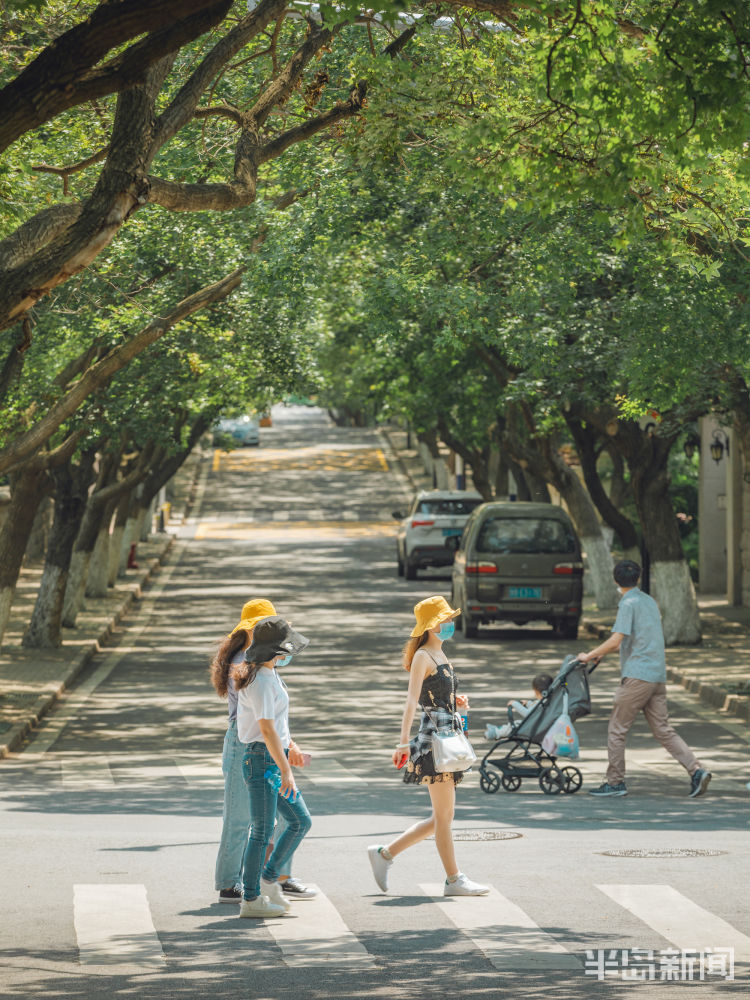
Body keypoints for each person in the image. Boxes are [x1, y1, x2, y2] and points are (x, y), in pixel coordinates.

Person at [368, 595, 489, 897]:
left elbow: (437, 697)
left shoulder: (441, 655)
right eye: (446, 620)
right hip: (434, 743)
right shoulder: (423, 656)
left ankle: (385, 854)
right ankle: (453, 879)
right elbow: (411, 702)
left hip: (447, 737)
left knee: (441, 817)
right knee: (444, 817)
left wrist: (456, 704)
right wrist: (402, 743)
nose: (450, 624)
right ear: (433, 625)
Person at [210, 599, 317, 904]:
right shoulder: (247, 664)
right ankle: (231, 884)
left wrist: (289, 746)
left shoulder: (262, 661)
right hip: (247, 744)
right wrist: (285, 758)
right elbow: (264, 723)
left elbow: (275, 719)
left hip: (267, 744)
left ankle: (277, 876)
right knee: (241, 819)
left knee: (287, 819)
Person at [577, 559, 711, 799]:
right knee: (662, 729)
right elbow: (638, 639)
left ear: (616, 580)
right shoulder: (649, 601)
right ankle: (696, 770)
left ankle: (615, 782)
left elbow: (617, 639)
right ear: (637, 579)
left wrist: (589, 655)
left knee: (617, 729)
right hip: (657, 676)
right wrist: (602, 654)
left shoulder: (627, 603)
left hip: (638, 676)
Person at [236, 616, 313, 918]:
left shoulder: (268, 675)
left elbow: (277, 727)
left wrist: (291, 747)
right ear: (276, 651)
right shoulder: (262, 680)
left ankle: (268, 881)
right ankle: (251, 898)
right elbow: (266, 730)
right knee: (263, 830)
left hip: (270, 757)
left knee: (299, 821)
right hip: (262, 760)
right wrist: (285, 770)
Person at [484, 672, 554, 741]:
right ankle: (497, 729)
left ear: (538, 691)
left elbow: (527, 714)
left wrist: (515, 704)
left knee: (514, 726)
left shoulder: (541, 703)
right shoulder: (549, 702)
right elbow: (535, 709)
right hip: (541, 728)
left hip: (533, 730)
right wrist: (528, 703)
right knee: (516, 723)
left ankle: (495, 733)